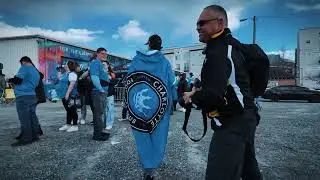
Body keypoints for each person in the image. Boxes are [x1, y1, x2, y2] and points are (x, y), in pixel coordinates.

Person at [183, 5, 263, 180]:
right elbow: (229, 85)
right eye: (197, 24)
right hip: (246, 117)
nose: (198, 27)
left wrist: (191, 98)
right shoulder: (230, 46)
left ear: (220, 23)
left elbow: (213, 97)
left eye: (202, 23)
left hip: (233, 123)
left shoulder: (219, 52)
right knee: (248, 169)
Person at [126, 34, 175, 180]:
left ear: (148, 45)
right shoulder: (164, 62)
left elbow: (130, 80)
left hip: (138, 104)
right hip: (160, 103)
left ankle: (147, 167)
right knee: (159, 133)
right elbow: (171, 81)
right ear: (160, 45)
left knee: (142, 132)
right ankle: (154, 162)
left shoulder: (136, 60)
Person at [8, 56, 40, 146]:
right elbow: (36, 84)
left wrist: (9, 79)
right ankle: (34, 136)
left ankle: (26, 139)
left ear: (23, 62)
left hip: (23, 96)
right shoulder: (35, 71)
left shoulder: (24, 67)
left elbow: (17, 80)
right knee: (32, 117)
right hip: (32, 96)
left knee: (24, 118)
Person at [89, 47, 110, 141]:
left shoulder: (100, 64)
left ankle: (100, 132)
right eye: (102, 53)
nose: (104, 55)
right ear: (97, 53)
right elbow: (94, 77)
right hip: (98, 92)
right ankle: (97, 135)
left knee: (101, 113)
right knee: (98, 114)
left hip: (102, 91)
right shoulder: (95, 63)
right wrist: (100, 89)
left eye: (105, 53)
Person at [58, 61, 79, 132]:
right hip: (64, 94)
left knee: (72, 110)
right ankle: (68, 124)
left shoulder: (72, 74)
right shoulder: (66, 73)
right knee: (68, 110)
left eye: (66, 64)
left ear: (70, 66)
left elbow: (71, 85)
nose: (65, 65)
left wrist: (67, 94)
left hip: (71, 95)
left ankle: (75, 125)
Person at [102, 61, 116, 132]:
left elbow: (114, 82)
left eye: (104, 64)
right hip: (101, 94)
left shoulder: (111, 73)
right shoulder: (99, 73)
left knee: (110, 109)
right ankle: (104, 123)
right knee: (103, 110)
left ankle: (109, 123)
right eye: (102, 64)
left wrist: (109, 78)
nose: (103, 65)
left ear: (108, 65)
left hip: (109, 94)